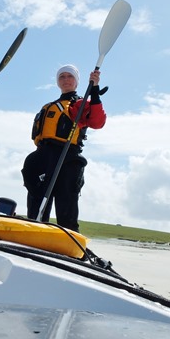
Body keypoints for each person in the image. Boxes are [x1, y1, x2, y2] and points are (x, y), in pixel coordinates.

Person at [21, 64, 107, 232]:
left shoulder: (79, 105)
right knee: (36, 203)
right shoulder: (48, 106)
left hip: (66, 157)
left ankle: (69, 242)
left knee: (66, 205)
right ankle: (33, 233)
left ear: (76, 82)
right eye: (62, 77)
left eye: (70, 77)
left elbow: (97, 122)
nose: (66, 80)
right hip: (43, 157)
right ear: (57, 82)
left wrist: (95, 90)